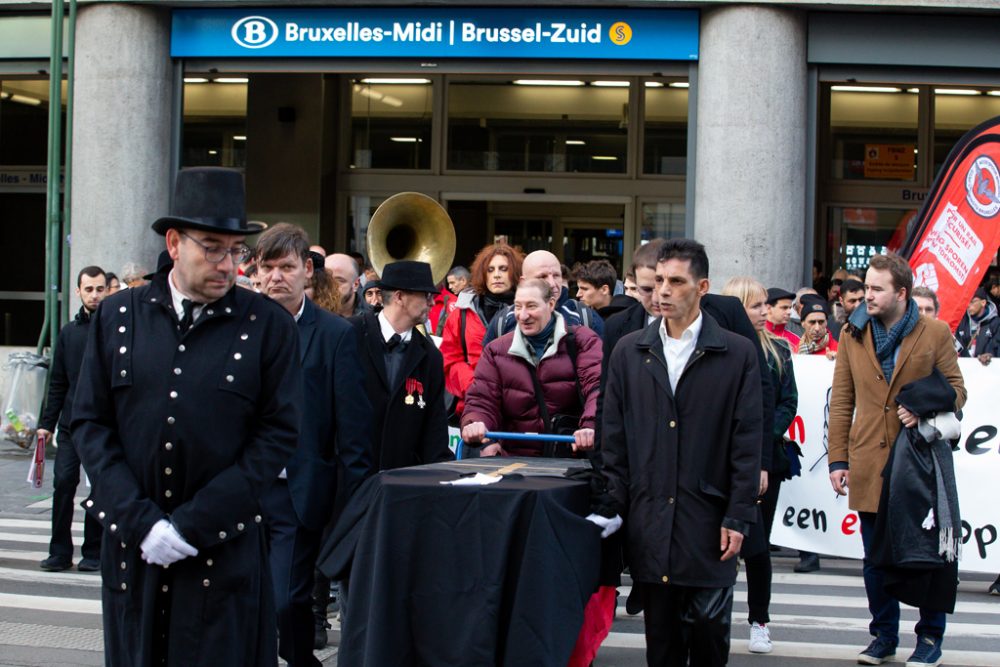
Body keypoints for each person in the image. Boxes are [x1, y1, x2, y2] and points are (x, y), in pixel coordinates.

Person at [71, 167, 303, 666]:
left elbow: (277, 436)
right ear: (174, 243)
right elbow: (90, 424)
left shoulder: (268, 327)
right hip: (135, 551)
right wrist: (140, 521)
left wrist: (191, 526)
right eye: (212, 247)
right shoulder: (118, 316)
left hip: (224, 552)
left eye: (236, 250)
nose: (228, 264)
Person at [601, 238, 762, 666]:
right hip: (649, 518)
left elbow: (747, 442)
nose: (663, 291)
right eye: (657, 282)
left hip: (708, 518)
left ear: (702, 286)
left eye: (676, 281)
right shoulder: (629, 350)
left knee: (710, 636)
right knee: (663, 642)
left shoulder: (737, 352)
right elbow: (612, 439)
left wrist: (738, 514)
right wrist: (617, 506)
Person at [828, 253, 966, 667]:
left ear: (901, 293)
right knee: (875, 559)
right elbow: (842, 402)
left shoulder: (935, 331)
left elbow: (956, 391)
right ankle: (883, 636)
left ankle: (929, 639)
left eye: (875, 289)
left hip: (921, 464)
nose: (865, 296)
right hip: (870, 461)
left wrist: (919, 405)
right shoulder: (853, 333)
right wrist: (838, 460)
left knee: (927, 556)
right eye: (865, 287)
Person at [255, 223, 372, 666]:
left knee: (287, 600)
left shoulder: (336, 335)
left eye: (286, 267)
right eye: (266, 268)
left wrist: (350, 509)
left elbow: (354, 431)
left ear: (307, 270)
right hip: (238, 488)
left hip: (297, 492)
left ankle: (301, 659)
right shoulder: (237, 326)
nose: (275, 278)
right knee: (248, 598)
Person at [722, 276, 799, 655]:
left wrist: (765, 440)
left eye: (765, 304)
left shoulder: (779, 350)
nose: (764, 312)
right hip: (723, 459)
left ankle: (759, 621)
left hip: (766, 459)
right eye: (756, 305)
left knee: (757, 547)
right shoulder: (720, 347)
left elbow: (787, 401)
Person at [460, 278, 602, 457]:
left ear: (551, 304)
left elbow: (598, 388)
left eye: (531, 306)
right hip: (515, 462)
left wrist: (591, 426)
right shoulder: (496, 351)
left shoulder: (583, 341)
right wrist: (476, 422)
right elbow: (482, 399)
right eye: (518, 307)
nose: (523, 315)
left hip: (570, 458)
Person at [38, 265, 109, 573]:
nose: (94, 294)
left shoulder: (115, 330)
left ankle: (93, 551)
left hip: (102, 426)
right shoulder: (69, 333)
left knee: (100, 490)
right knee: (63, 484)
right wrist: (45, 423)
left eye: (99, 288)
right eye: (88, 289)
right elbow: (57, 382)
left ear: (107, 290)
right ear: (78, 291)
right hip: (70, 425)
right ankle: (59, 552)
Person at [350, 260, 452, 470]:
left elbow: (435, 430)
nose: (432, 303)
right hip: (349, 483)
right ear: (399, 297)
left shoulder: (430, 355)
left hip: (402, 484)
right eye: (426, 296)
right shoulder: (350, 334)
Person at [440, 243, 523, 418]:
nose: (497, 275)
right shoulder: (461, 314)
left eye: (503, 269)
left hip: (519, 408)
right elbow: (449, 361)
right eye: (491, 270)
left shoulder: (529, 312)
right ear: (482, 274)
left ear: (515, 272)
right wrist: (474, 385)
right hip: (472, 405)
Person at [481, 249, 603, 347]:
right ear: (524, 281)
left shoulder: (584, 317)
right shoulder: (504, 320)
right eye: (542, 276)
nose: (552, 283)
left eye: (556, 275)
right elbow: (488, 372)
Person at [954, 287, 1000, 365]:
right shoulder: (961, 321)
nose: (968, 305)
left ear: (983, 302)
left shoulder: (995, 323)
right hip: (964, 368)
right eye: (967, 302)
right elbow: (957, 344)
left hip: (987, 369)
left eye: (972, 302)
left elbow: (996, 346)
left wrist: (990, 355)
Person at [324, 253, 370, 318]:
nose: (331, 286)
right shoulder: (310, 314)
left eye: (339, 281)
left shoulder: (371, 318)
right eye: (326, 280)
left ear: (356, 284)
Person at [796, 294, 838, 359]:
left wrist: (839, 360)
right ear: (803, 323)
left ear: (826, 322)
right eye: (812, 322)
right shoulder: (794, 348)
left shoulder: (839, 349)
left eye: (821, 322)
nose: (817, 328)